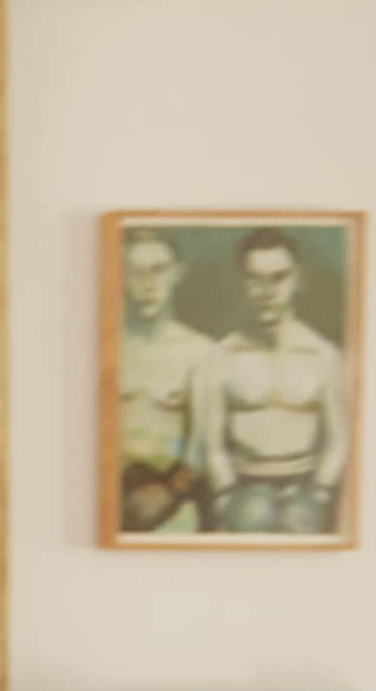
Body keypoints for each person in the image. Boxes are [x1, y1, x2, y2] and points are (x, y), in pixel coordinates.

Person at [190, 227, 347, 537]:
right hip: (243, 492)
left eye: (279, 278)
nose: (267, 291)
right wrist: (225, 495)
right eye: (255, 279)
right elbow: (211, 442)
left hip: (306, 493)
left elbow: (339, 439)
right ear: (243, 284)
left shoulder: (323, 355)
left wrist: (321, 492)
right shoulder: (221, 355)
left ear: (298, 280)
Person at [111, 226, 209, 533]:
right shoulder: (107, 348)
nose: (148, 284)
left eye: (158, 270)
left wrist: (170, 491)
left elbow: (203, 444)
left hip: (172, 498)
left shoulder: (200, 352)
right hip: (108, 493)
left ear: (177, 273)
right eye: (135, 271)